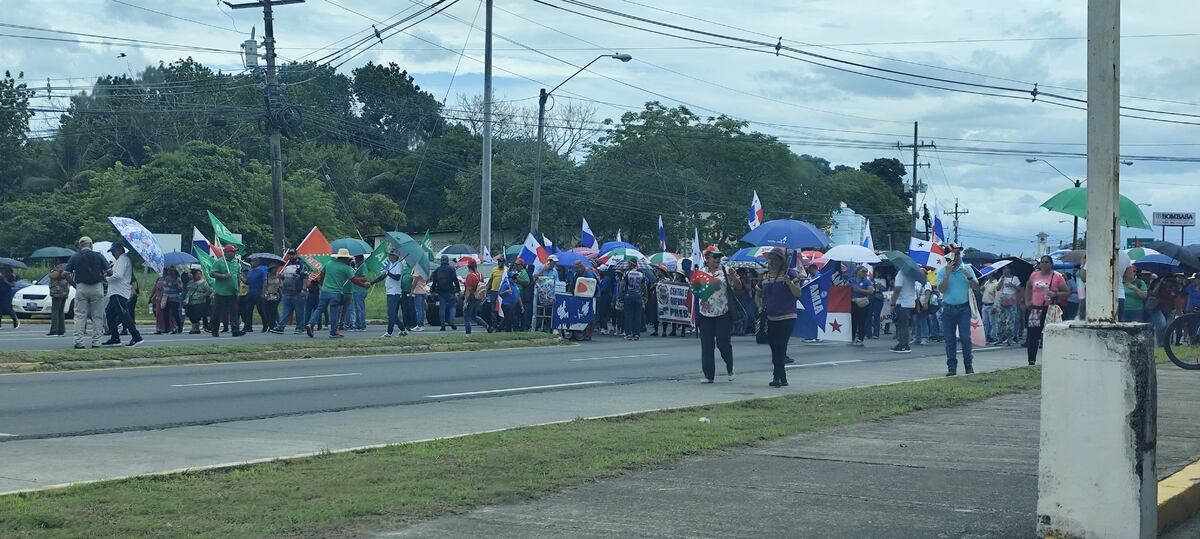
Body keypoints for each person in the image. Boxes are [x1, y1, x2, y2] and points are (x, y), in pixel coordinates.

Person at [695, 246, 742, 383]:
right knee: (707, 345)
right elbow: (697, 291)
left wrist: (734, 276)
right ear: (707, 258)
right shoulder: (701, 272)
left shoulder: (726, 271)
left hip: (723, 312)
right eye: (714, 257)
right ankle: (709, 375)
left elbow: (738, 287)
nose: (717, 259)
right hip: (705, 313)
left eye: (719, 257)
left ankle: (730, 366)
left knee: (723, 343)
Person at [760, 248, 805, 388]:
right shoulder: (765, 276)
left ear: (781, 260)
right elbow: (758, 292)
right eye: (770, 258)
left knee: (780, 346)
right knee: (774, 347)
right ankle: (782, 377)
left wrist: (789, 283)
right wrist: (760, 305)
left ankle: (777, 377)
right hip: (771, 317)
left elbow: (798, 293)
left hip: (787, 316)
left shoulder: (790, 274)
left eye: (775, 259)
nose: (771, 261)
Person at [936, 246, 979, 376]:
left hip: (963, 308)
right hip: (948, 308)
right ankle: (952, 367)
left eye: (958, 255)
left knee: (966, 338)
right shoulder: (942, 271)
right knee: (949, 340)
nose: (957, 258)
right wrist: (947, 275)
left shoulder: (967, 268)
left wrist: (969, 277)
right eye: (954, 255)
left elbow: (977, 287)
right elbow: (942, 290)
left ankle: (968, 365)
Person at [63, 236, 108, 348]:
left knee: (79, 315)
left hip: (81, 287)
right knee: (97, 316)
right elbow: (110, 272)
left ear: (80, 245)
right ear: (91, 245)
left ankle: (79, 342)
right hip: (97, 287)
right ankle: (96, 342)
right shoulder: (99, 256)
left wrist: (74, 284)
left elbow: (66, 273)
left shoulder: (75, 257)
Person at [1024, 255, 1068, 365]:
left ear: (1051, 264)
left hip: (1050, 309)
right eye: (1042, 262)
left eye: (1046, 262)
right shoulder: (1034, 275)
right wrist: (1028, 301)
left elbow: (1066, 292)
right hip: (1035, 309)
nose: (1044, 264)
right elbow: (1028, 287)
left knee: (1051, 333)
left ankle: (1053, 358)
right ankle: (1031, 360)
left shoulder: (1057, 276)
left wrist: (1055, 294)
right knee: (1032, 335)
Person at [306, 248, 355, 339]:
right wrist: (364, 284)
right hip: (336, 292)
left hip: (325, 291)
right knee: (334, 311)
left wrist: (322, 284)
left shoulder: (329, 264)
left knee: (319, 309)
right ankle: (333, 332)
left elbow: (321, 274)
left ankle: (310, 324)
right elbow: (353, 279)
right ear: (346, 258)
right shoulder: (346, 268)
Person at [101, 243, 143, 347]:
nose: (113, 254)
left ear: (120, 250)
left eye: (114, 251)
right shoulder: (120, 260)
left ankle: (136, 336)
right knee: (110, 314)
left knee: (124, 315)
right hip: (115, 291)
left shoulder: (123, 259)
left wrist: (106, 279)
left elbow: (118, 275)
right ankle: (115, 337)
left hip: (119, 292)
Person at [209, 244, 245, 338]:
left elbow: (237, 276)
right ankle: (215, 330)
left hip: (233, 291)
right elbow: (212, 273)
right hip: (221, 292)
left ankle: (235, 330)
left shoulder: (236, 263)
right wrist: (223, 276)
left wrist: (237, 288)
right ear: (226, 252)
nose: (234, 253)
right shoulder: (219, 262)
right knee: (217, 312)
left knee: (234, 312)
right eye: (232, 252)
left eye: (234, 252)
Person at [372, 252, 408, 337]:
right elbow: (383, 276)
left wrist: (389, 273)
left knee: (391, 312)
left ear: (396, 257)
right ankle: (403, 329)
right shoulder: (390, 265)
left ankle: (389, 332)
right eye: (389, 255)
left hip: (395, 292)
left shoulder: (399, 265)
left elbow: (397, 277)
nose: (389, 256)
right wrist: (371, 283)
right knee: (391, 313)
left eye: (391, 255)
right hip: (389, 291)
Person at [272, 258, 309, 334]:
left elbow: (305, 277)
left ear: (296, 255)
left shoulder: (301, 266)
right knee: (285, 311)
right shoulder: (287, 265)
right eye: (290, 254)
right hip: (286, 292)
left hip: (297, 292)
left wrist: (304, 289)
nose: (291, 256)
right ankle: (280, 327)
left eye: (293, 254)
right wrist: (280, 276)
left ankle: (300, 327)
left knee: (299, 311)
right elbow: (285, 277)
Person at [890, 268, 917, 354]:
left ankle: (904, 345)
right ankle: (902, 343)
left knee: (903, 325)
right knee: (903, 324)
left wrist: (893, 303)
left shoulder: (900, 274)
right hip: (911, 302)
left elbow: (897, 289)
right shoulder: (911, 274)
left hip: (903, 302)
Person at [618, 260, 647, 340]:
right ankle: (636, 334)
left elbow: (622, 285)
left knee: (628, 315)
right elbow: (644, 286)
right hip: (638, 296)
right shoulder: (641, 274)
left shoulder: (627, 273)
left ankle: (628, 334)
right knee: (637, 316)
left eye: (629, 263)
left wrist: (620, 295)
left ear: (632, 264)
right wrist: (646, 296)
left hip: (629, 295)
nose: (627, 265)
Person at [431, 255, 461, 331]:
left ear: (441, 261)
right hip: (450, 291)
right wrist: (458, 289)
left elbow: (434, 282)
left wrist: (432, 291)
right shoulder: (451, 269)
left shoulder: (437, 270)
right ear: (447, 261)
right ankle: (451, 321)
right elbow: (455, 280)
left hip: (441, 292)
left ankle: (442, 324)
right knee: (453, 306)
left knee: (442, 308)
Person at [461, 258, 490, 335]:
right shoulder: (480, 275)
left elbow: (469, 289)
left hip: (471, 297)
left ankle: (468, 334)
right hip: (478, 298)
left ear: (469, 267)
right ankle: (487, 326)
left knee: (466, 317)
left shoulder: (470, 276)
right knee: (474, 316)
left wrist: (465, 301)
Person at [47, 256, 73, 336]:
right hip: (65, 290)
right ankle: (61, 329)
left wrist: (50, 272)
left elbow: (54, 276)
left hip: (57, 291)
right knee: (61, 311)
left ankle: (54, 330)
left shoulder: (59, 267)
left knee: (55, 311)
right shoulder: (68, 266)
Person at [995, 266, 1021, 346]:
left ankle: (1009, 338)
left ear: (1009, 269)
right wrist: (1002, 280)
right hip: (1003, 299)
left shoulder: (1015, 278)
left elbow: (1019, 288)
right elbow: (997, 288)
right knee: (1000, 320)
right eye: (1003, 269)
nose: (1004, 270)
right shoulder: (1002, 278)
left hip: (1011, 300)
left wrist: (1012, 285)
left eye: (1005, 268)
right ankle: (1000, 338)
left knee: (1011, 320)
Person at [153, 267, 183, 334]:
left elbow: (180, 289)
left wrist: (176, 285)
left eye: (171, 271)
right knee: (165, 313)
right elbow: (164, 287)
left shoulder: (177, 279)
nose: (169, 272)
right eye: (169, 271)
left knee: (174, 313)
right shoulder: (166, 278)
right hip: (166, 298)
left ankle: (179, 327)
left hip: (174, 299)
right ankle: (167, 328)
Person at [849, 266, 874, 346]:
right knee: (853, 321)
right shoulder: (851, 280)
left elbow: (871, 291)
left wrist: (860, 290)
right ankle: (852, 339)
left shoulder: (866, 281)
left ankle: (860, 339)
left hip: (862, 303)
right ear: (857, 271)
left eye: (866, 271)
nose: (865, 273)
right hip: (853, 302)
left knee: (861, 322)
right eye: (863, 271)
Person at [185, 266, 211, 334]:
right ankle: (196, 328)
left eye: (200, 274)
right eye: (197, 274)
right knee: (191, 315)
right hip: (190, 302)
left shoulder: (204, 283)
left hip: (199, 302)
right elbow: (187, 291)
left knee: (196, 316)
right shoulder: (190, 283)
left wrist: (204, 295)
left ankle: (194, 328)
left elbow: (209, 290)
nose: (198, 275)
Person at [262, 262, 283, 333]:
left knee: (273, 310)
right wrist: (263, 294)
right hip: (268, 295)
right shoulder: (267, 276)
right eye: (273, 269)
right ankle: (270, 324)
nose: (275, 270)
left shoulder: (278, 276)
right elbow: (265, 286)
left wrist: (280, 280)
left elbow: (281, 285)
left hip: (276, 295)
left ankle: (274, 324)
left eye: (275, 268)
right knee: (268, 311)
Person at [869, 272, 888, 339]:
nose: (877, 273)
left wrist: (875, 283)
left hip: (878, 297)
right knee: (869, 315)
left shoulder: (882, 280)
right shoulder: (869, 279)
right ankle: (868, 333)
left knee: (876, 316)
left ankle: (876, 333)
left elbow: (883, 288)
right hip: (870, 296)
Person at [981, 276, 998, 344]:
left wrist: (995, 306)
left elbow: (997, 296)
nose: (987, 276)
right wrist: (982, 289)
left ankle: (994, 337)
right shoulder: (986, 283)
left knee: (993, 322)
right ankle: (985, 336)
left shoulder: (996, 284)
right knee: (985, 322)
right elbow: (984, 293)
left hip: (991, 304)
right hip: (984, 304)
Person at [411, 265, 428, 331]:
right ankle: (422, 324)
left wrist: (412, 289)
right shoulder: (424, 269)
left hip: (418, 291)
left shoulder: (417, 269)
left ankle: (419, 325)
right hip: (423, 290)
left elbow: (416, 279)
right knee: (421, 308)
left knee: (418, 309)